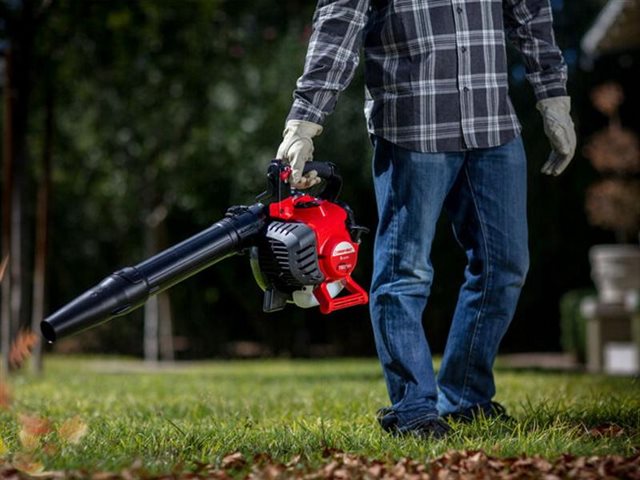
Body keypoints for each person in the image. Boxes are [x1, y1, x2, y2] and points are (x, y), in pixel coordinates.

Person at [275, 0, 576, 439]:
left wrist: (553, 95)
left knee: (506, 265)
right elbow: (340, 25)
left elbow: (529, 13)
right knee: (405, 273)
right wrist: (305, 120)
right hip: (414, 126)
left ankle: (466, 397)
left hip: (493, 123)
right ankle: (413, 408)